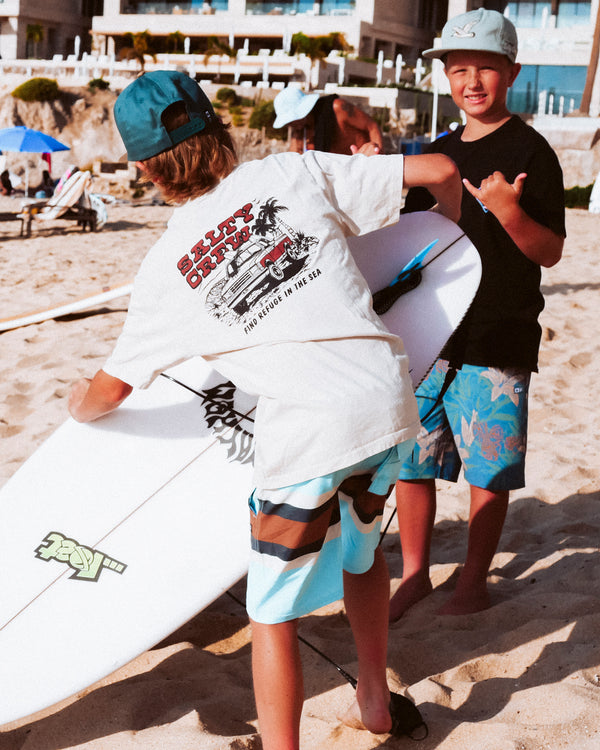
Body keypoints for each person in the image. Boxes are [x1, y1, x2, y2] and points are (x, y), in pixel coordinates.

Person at [67, 70, 462, 749]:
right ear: (217, 129)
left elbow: (109, 393)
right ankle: (373, 696)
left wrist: (76, 404)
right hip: (385, 400)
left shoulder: (166, 270)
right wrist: (445, 226)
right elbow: (439, 167)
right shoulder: (293, 170)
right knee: (362, 556)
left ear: (142, 167)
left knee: (271, 614)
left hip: (308, 433)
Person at [390, 8, 566, 622]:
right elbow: (406, 237)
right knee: (413, 463)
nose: (471, 81)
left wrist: (507, 211)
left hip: (498, 333)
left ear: (511, 72)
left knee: (487, 469)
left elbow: (550, 249)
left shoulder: (532, 151)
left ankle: (472, 582)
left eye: (485, 69)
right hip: (431, 333)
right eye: (459, 69)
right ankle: (414, 574)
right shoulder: (435, 153)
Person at [273, 85, 384, 155]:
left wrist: (378, 158)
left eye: (292, 120)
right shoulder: (300, 134)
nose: (290, 125)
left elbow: (372, 126)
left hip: (363, 165)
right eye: (288, 122)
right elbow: (294, 160)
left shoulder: (338, 108)